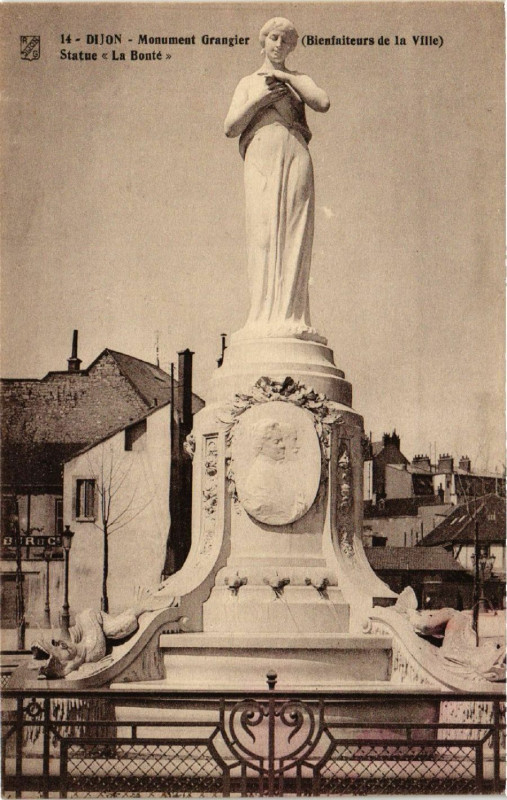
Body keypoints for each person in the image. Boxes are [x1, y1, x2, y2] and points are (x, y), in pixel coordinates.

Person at [224, 18, 330, 341]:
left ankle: (292, 317)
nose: (279, 45)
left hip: (295, 154)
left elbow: (322, 102)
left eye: (286, 41)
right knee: (263, 235)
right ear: (263, 41)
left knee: (293, 235)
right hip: (260, 160)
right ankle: (260, 317)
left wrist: (286, 79)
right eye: (274, 38)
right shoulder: (248, 82)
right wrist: (262, 99)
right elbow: (230, 127)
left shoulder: (297, 79)